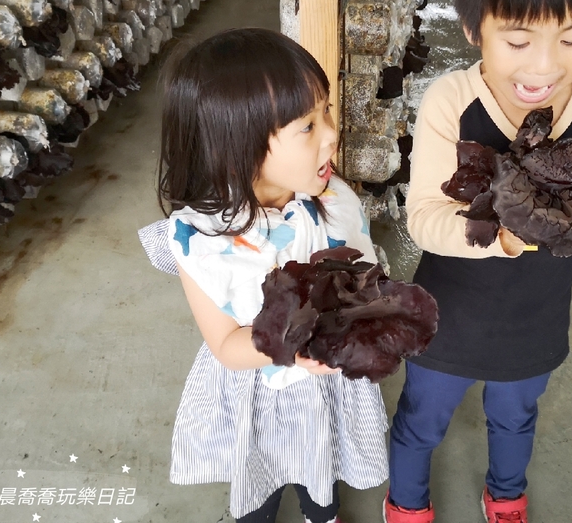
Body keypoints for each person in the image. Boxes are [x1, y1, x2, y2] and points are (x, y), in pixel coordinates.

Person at [384, 0, 572, 523]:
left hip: (533, 317)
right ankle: (406, 500)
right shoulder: (450, 103)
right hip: (450, 314)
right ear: (474, 27)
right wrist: (504, 234)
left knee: (516, 414)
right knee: (422, 415)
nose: (544, 67)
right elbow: (425, 220)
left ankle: (507, 494)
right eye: (517, 40)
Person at [138, 28, 388, 523]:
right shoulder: (201, 239)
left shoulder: (332, 199)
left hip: (327, 384)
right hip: (258, 389)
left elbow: (364, 278)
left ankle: (322, 513)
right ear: (239, 146)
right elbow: (226, 346)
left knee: (322, 464)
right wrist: (294, 344)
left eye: (326, 111)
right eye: (307, 126)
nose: (331, 134)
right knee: (261, 476)